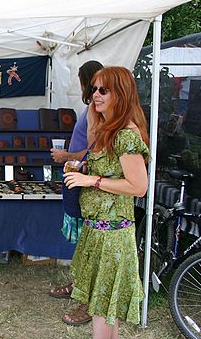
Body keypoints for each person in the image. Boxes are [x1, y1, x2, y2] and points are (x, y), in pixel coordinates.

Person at [63, 66, 150, 338]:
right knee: (102, 306)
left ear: (121, 94)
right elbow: (113, 170)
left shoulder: (126, 135)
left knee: (103, 305)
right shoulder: (109, 128)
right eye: (93, 89)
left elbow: (139, 187)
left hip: (113, 236)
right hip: (99, 232)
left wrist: (92, 181)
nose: (95, 95)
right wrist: (85, 169)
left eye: (103, 90)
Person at [48, 60, 104, 326]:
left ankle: (86, 297)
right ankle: (78, 285)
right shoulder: (92, 108)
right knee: (83, 244)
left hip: (86, 181)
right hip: (80, 177)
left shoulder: (95, 109)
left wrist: (65, 155)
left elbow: (91, 151)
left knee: (87, 241)